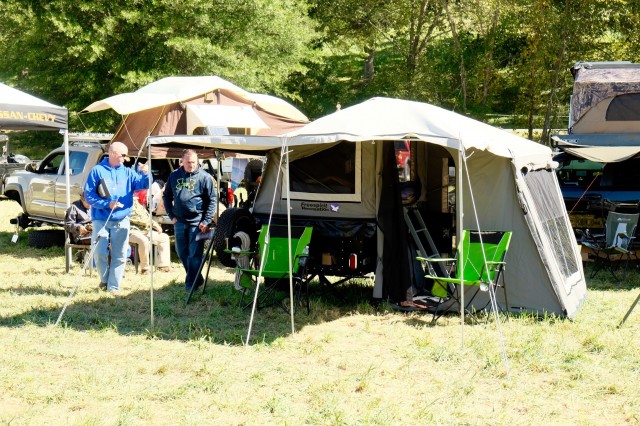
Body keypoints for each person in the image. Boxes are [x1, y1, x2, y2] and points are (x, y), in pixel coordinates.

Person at [84, 141, 149, 292]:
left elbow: (143, 185)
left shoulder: (128, 172)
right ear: (112, 153)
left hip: (122, 219)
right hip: (101, 219)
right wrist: (107, 204)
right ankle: (104, 280)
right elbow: (89, 196)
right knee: (99, 252)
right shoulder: (97, 171)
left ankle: (113, 287)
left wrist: (146, 173)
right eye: (123, 155)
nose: (126, 158)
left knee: (119, 254)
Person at [163, 149, 216, 290]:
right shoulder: (174, 176)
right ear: (182, 161)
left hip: (198, 223)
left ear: (197, 162)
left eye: (193, 162)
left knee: (195, 254)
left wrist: (206, 221)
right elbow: (166, 196)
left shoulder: (204, 177)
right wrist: (171, 215)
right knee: (181, 252)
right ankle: (197, 278)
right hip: (179, 221)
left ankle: (190, 285)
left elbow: (212, 200)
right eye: (188, 162)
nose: (191, 165)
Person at [129, 192, 172, 274]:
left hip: (144, 230)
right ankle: (145, 268)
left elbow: (146, 217)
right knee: (144, 240)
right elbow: (138, 219)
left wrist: (155, 224)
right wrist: (153, 225)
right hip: (131, 231)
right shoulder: (126, 204)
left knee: (164, 237)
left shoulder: (138, 204)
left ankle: (163, 265)